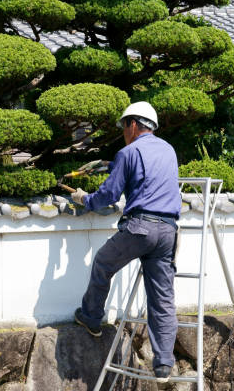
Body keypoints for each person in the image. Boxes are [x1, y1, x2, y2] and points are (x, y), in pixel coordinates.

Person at [70, 101, 181, 382]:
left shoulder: (129, 152)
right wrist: (115, 165)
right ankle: (164, 364)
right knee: (162, 298)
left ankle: (92, 318)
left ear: (133, 124)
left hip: (140, 228)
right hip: (168, 231)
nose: (123, 132)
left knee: (103, 263)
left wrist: (85, 199)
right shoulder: (168, 150)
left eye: (123, 127)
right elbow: (150, 180)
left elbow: (109, 195)